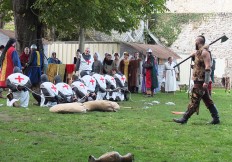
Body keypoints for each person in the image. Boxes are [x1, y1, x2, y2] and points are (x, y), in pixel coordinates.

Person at [173, 35, 220, 124]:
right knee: (208, 101)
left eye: (195, 41)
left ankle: (184, 118)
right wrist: (193, 59)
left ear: (198, 42)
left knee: (194, 101)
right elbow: (199, 65)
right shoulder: (199, 52)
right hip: (198, 80)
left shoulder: (205, 53)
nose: (194, 43)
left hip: (201, 81)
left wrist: (206, 82)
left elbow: (208, 67)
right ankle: (216, 119)